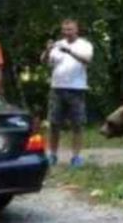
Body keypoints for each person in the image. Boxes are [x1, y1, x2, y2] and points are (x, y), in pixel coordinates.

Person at [40, 18, 94, 167]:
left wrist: (70, 51)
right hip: (57, 88)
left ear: (77, 30)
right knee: (54, 124)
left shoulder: (85, 45)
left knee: (77, 125)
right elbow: (44, 62)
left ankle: (76, 157)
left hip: (77, 89)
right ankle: (52, 155)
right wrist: (48, 50)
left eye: (70, 29)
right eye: (64, 30)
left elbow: (87, 60)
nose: (67, 32)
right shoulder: (57, 45)